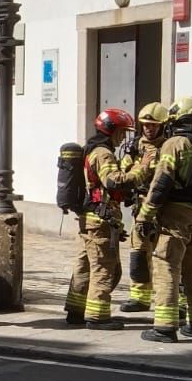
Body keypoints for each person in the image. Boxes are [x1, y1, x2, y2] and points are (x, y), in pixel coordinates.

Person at [132, 96, 192, 343]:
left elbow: (161, 183)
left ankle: (164, 327)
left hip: (174, 217)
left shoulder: (174, 143)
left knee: (166, 267)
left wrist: (145, 216)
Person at [65, 108, 136, 329]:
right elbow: (113, 181)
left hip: (89, 217)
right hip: (100, 220)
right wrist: (139, 171)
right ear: (111, 131)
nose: (123, 138)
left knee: (84, 267)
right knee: (104, 269)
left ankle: (76, 310)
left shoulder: (90, 149)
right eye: (122, 132)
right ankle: (98, 316)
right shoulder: (103, 153)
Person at [119, 102, 168, 313]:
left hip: (163, 209)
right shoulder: (134, 147)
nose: (149, 129)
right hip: (140, 207)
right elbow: (123, 171)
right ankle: (139, 297)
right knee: (139, 253)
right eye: (146, 125)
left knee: (167, 255)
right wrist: (143, 165)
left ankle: (169, 299)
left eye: (154, 125)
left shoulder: (168, 146)